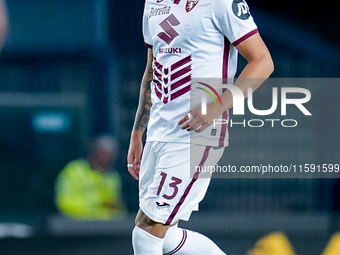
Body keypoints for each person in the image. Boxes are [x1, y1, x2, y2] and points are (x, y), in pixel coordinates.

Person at [127, 0, 274, 254]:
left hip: (196, 135)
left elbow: (263, 61)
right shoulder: (153, 3)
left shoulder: (221, 2)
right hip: (159, 133)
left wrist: (217, 106)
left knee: (146, 232)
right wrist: (138, 132)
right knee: (166, 235)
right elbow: (152, 68)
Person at [55, 135, 126, 220]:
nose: (109, 158)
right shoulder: (73, 171)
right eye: (106, 154)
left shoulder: (113, 177)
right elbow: (64, 202)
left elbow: (117, 209)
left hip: (106, 228)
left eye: (112, 155)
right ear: (95, 153)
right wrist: (97, 205)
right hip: (75, 226)